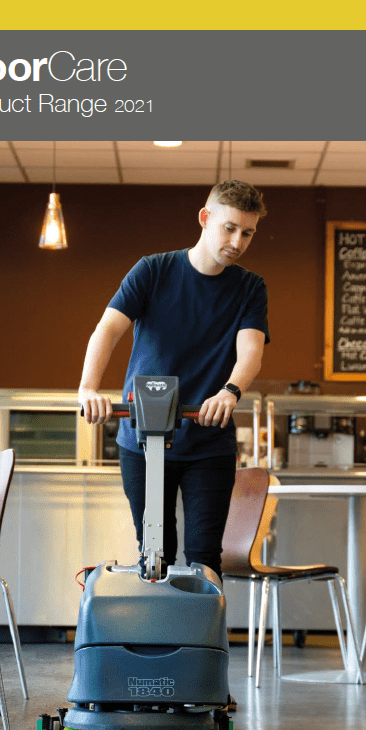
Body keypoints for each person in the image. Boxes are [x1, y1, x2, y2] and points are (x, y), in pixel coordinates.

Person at [79, 179, 269, 580]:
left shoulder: (249, 287)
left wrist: (230, 391)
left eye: (247, 232)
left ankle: (205, 643)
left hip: (208, 438)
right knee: (154, 552)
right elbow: (107, 330)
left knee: (204, 557)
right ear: (205, 218)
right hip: (142, 438)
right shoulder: (153, 270)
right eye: (229, 227)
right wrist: (88, 388)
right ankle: (156, 642)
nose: (237, 240)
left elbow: (250, 348)